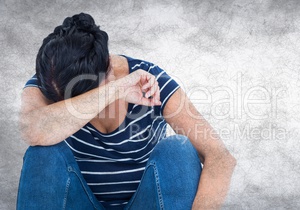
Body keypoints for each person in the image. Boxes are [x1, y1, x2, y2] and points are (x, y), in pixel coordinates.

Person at [17, 13, 236, 210]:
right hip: (80, 201)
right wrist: (116, 89)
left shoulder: (150, 79)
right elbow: (33, 130)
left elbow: (220, 157)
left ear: (109, 67)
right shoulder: (52, 81)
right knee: (41, 153)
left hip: (146, 202)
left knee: (178, 150)